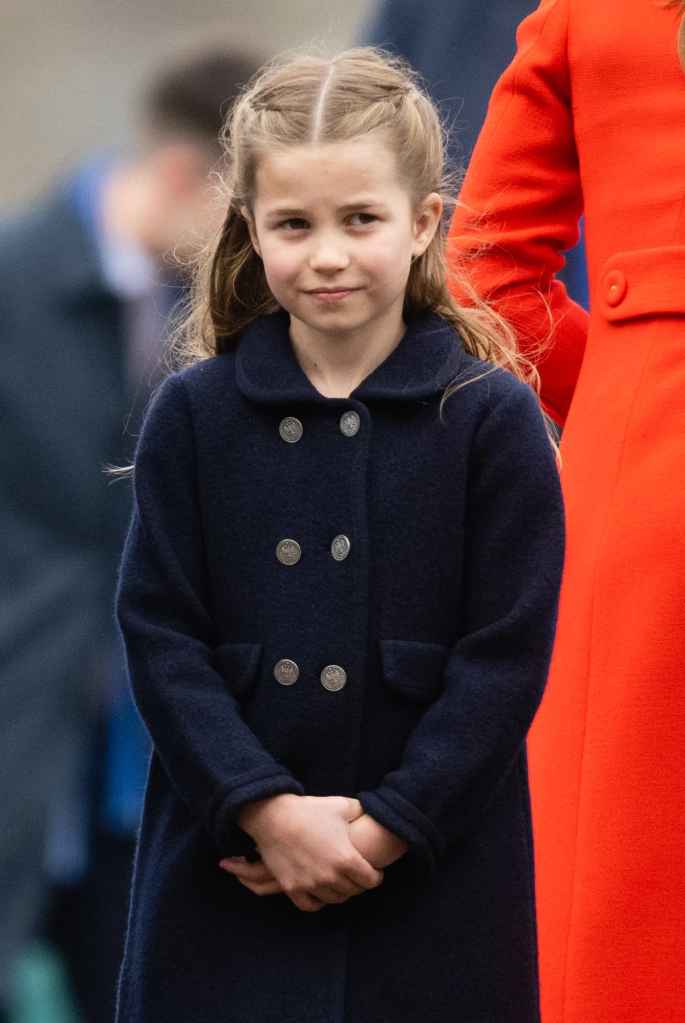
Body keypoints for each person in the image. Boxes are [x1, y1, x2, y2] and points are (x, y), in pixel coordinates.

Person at [114, 47, 564, 1023]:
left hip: (435, 889)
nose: (327, 255)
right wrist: (261, 808)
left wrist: (390, 826)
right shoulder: (194, 415)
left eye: (360, 219)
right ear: (249, 230)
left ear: (422, 223)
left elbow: (505, 656)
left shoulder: (490, 420)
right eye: (293, 224)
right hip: (226, 875)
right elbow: (160, 636)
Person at [0, 44, 261, 1023]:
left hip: (140, 763)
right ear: (186, 176)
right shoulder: (15, 283)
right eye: (243, 216)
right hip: (25, 728)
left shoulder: (216, 316)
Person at [447, 2, 685, 1021]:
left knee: (626, 883)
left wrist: (620, 394)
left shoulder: (595, 15)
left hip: (646, 469)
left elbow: (484, 271)